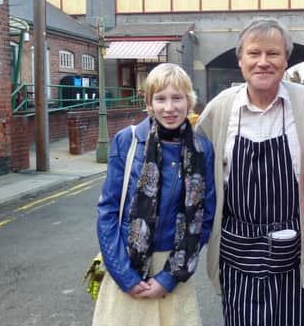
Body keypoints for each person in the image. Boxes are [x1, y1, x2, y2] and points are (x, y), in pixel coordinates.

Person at [195, 17, 304, 326]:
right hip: (236, 251)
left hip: (293, 252)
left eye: (273, 53)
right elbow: (192, 172)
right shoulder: (219, 110)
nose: (263, 62)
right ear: (241, 60)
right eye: (254, 53)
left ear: (286, 59)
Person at [93, 63, 216, 326]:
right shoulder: (127, 141)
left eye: (177, 98)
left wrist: (167, 278)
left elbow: (203, 219)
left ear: (189, 101)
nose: (169, 108)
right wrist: (125, 276)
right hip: (126, 266)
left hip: (173, 270)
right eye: (160, 98)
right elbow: (108, 212)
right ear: (149, 102)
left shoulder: (202, 149)